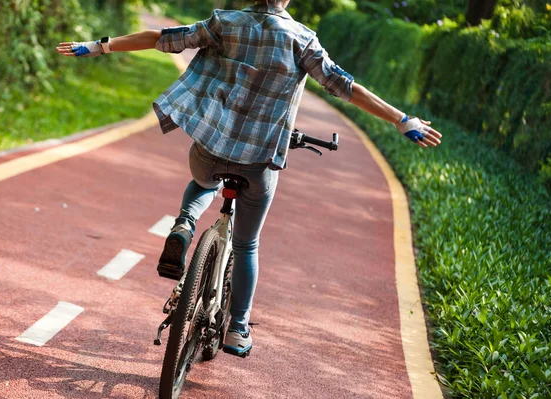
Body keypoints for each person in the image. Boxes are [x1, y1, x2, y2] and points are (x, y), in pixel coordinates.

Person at [56, 0, 442, 357]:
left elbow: (161, 39)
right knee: (246, 243)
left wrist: (98, 45)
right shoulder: (303, 40)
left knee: (203, 183)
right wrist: (401, 119)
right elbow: (344, 86)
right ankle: (238, 328)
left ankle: (186, 224)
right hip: (258, 164)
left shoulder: (226, 22)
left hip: (210, 150)